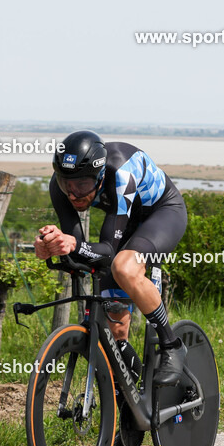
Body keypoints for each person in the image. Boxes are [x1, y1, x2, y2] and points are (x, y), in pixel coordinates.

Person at [34, 131, 189, 385]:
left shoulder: (120, 173)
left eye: (82, 185)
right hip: (123, 220)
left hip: (161, 214)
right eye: (67, 185)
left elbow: (106, 249)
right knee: (115, 332)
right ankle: (131, 406)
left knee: (125, 268)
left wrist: (74, 245)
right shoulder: (61, 185)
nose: (73, 194)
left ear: (100, 174)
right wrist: (51, 247)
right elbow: (78, 247)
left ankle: (171, 345)